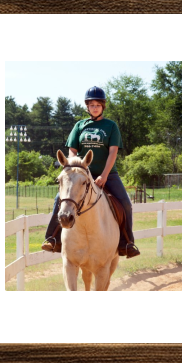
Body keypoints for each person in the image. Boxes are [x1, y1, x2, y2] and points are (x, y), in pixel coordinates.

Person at [41, 86, 140, 259]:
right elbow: (72, 151)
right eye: (91, 104)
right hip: (81, 174)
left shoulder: (111, 126)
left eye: (98, 104)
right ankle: (52, 238)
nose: (95, 107)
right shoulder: (79, 125)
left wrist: (104, 175)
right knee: (60, 199)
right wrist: (75, 167)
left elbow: (113, 152)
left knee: (125, 203)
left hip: (107, 174)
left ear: (103, 106)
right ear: (87, 106)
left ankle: (127, 243)